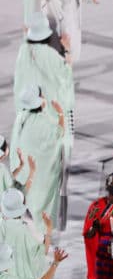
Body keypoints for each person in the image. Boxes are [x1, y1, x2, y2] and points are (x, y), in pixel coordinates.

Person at [9, 85, 65, 224]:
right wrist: (60, 113)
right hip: (38, 176)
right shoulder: (42, 122)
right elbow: (59, 133)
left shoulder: (20, 117)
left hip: (21, 174)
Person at [14, 12, 75, 136]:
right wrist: (67, 48)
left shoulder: (24, 53)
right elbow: (66, 73)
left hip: (31, 108)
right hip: (53, 109)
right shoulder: (50, 56)